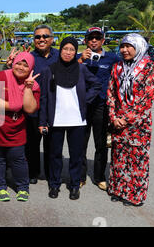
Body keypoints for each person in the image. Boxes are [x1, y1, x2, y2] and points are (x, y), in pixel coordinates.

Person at [39, 37, 101, 200]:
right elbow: (44, 97)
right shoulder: (50, 70)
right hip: (56, 120)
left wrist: (85, 100)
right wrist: (42, 121)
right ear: (60, 51)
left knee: (76, 155)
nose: (68, 52)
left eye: (72, 49)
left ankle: (74, 186)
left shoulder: (81, 69)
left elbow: (96, 84)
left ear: (76, 52)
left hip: (77, 120)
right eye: (65, 49)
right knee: (55, 155)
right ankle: (54, 184)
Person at [107, 33, 154, 207]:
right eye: (122, 46)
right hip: (118, 122)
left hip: (139, 123)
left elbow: (147, 98)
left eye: (129, 46)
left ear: (139, 47)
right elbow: (111, 93)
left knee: (137, 159)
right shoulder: (117, 68)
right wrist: (114, 117)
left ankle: (135, 195)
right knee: (119, 157)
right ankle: (118, 190)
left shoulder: (149, 67)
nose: (124, 50)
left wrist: (126, 118)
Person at [0, 52, 40, 202]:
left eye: (25, 65)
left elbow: (29, 109)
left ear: (31, 68)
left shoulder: (34, 85)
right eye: (18, 63)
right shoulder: (1, 76)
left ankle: (23, 187)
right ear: (13, 63)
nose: (20, 67)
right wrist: (13, 105)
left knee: (18, 159)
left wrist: (27, 88)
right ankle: (0, 186)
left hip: (17, 129)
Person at [77, 27, 121, 190]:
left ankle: (99, 176)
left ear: (103, 40)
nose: (94, 41)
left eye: (97, 38)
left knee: (101, 144)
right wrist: (81, 59)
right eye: (90, 38)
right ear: (86, 41)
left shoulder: (112, 58)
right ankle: (80, 176)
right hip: (82, 106)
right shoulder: (78, 57)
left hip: (102, 107)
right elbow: (67, 73)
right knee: (80, 143)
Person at [26, 25, 60, 184]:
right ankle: (33, 172)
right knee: (32, 143)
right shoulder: (28, 57)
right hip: (34, 106)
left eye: (45, 36)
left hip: (53, 107)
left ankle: (49, 172)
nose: (41, 39)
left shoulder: (60, 56)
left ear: (52, 39)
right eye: (38, 37)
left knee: (52, 144)